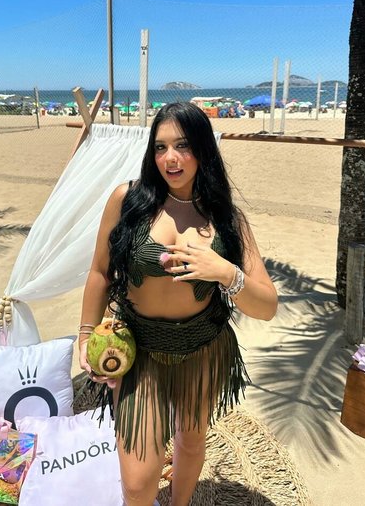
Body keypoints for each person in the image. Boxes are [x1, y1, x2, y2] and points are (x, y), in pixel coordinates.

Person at [78, 102, 278, 506]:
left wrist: (225, 272)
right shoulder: (128, 201)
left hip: (203, 347)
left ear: (203, 150)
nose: (170, 157)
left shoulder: (227, 218)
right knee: (139, 480)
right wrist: (85, 335)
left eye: (183, 146)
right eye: (161, 147)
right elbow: (100, 272)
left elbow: (267, 305)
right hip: (140, 348)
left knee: (190, 440)